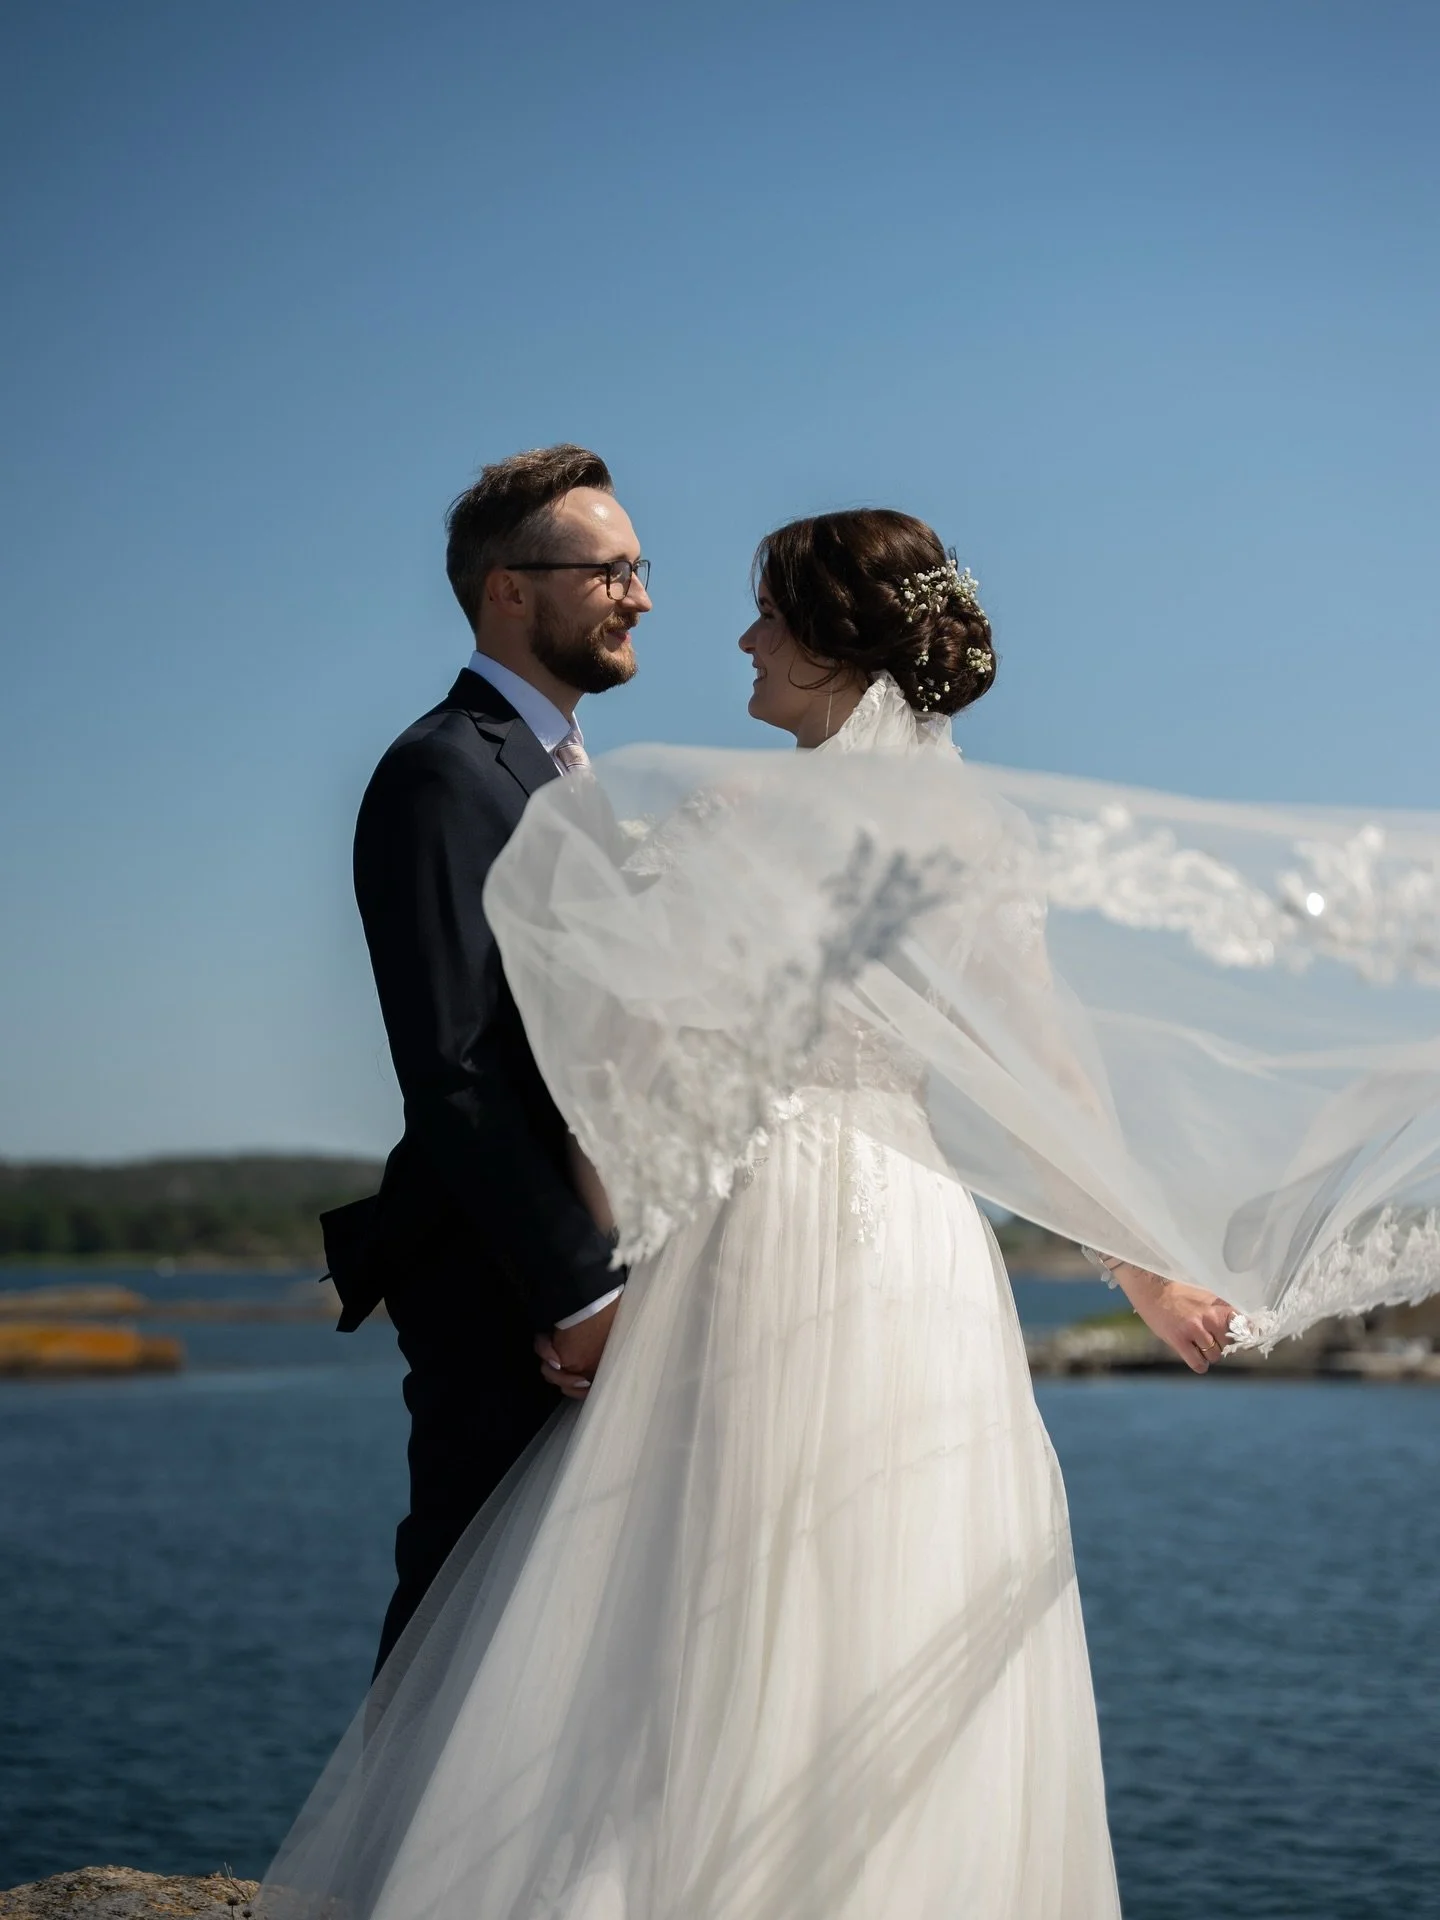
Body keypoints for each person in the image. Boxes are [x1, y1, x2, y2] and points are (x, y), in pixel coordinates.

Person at [268, 509, 1244, 1920]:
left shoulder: (725, 820)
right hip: (913, 1248)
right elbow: (1052, 1076)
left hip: (750, 1237)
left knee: (690, 1606)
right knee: (888, 1589)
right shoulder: (970, 838)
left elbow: (625, 1071)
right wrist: (1141, 1268)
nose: (737, 638)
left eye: (767, 614)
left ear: (838, 641)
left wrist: (598, 1271)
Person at [324, 444, 652, 1672]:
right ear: (509, 589)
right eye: (609, 570)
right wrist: (583, 1295)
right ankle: (385, 1873)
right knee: (469, 1608)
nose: (641, 596)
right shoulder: (442, 772)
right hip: (504, 1284)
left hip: (599, 1265)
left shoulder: (571, 774)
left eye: (639, 567)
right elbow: (454, 1063)